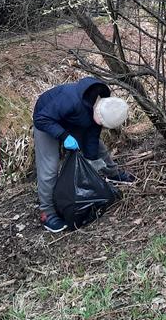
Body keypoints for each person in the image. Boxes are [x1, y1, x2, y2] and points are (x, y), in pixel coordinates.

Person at [33, 78, 131, 233]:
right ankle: (47, 212)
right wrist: (64, 136)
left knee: (99, 147)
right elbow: (41, 119)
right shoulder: (70, 100)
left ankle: (113, 173)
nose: (101, 126)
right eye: (101, 123)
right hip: (46, 120)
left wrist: (90, 163)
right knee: (50, 166)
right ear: (96, 111)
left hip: (74, 120)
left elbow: (92, 137)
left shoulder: (103, 106)